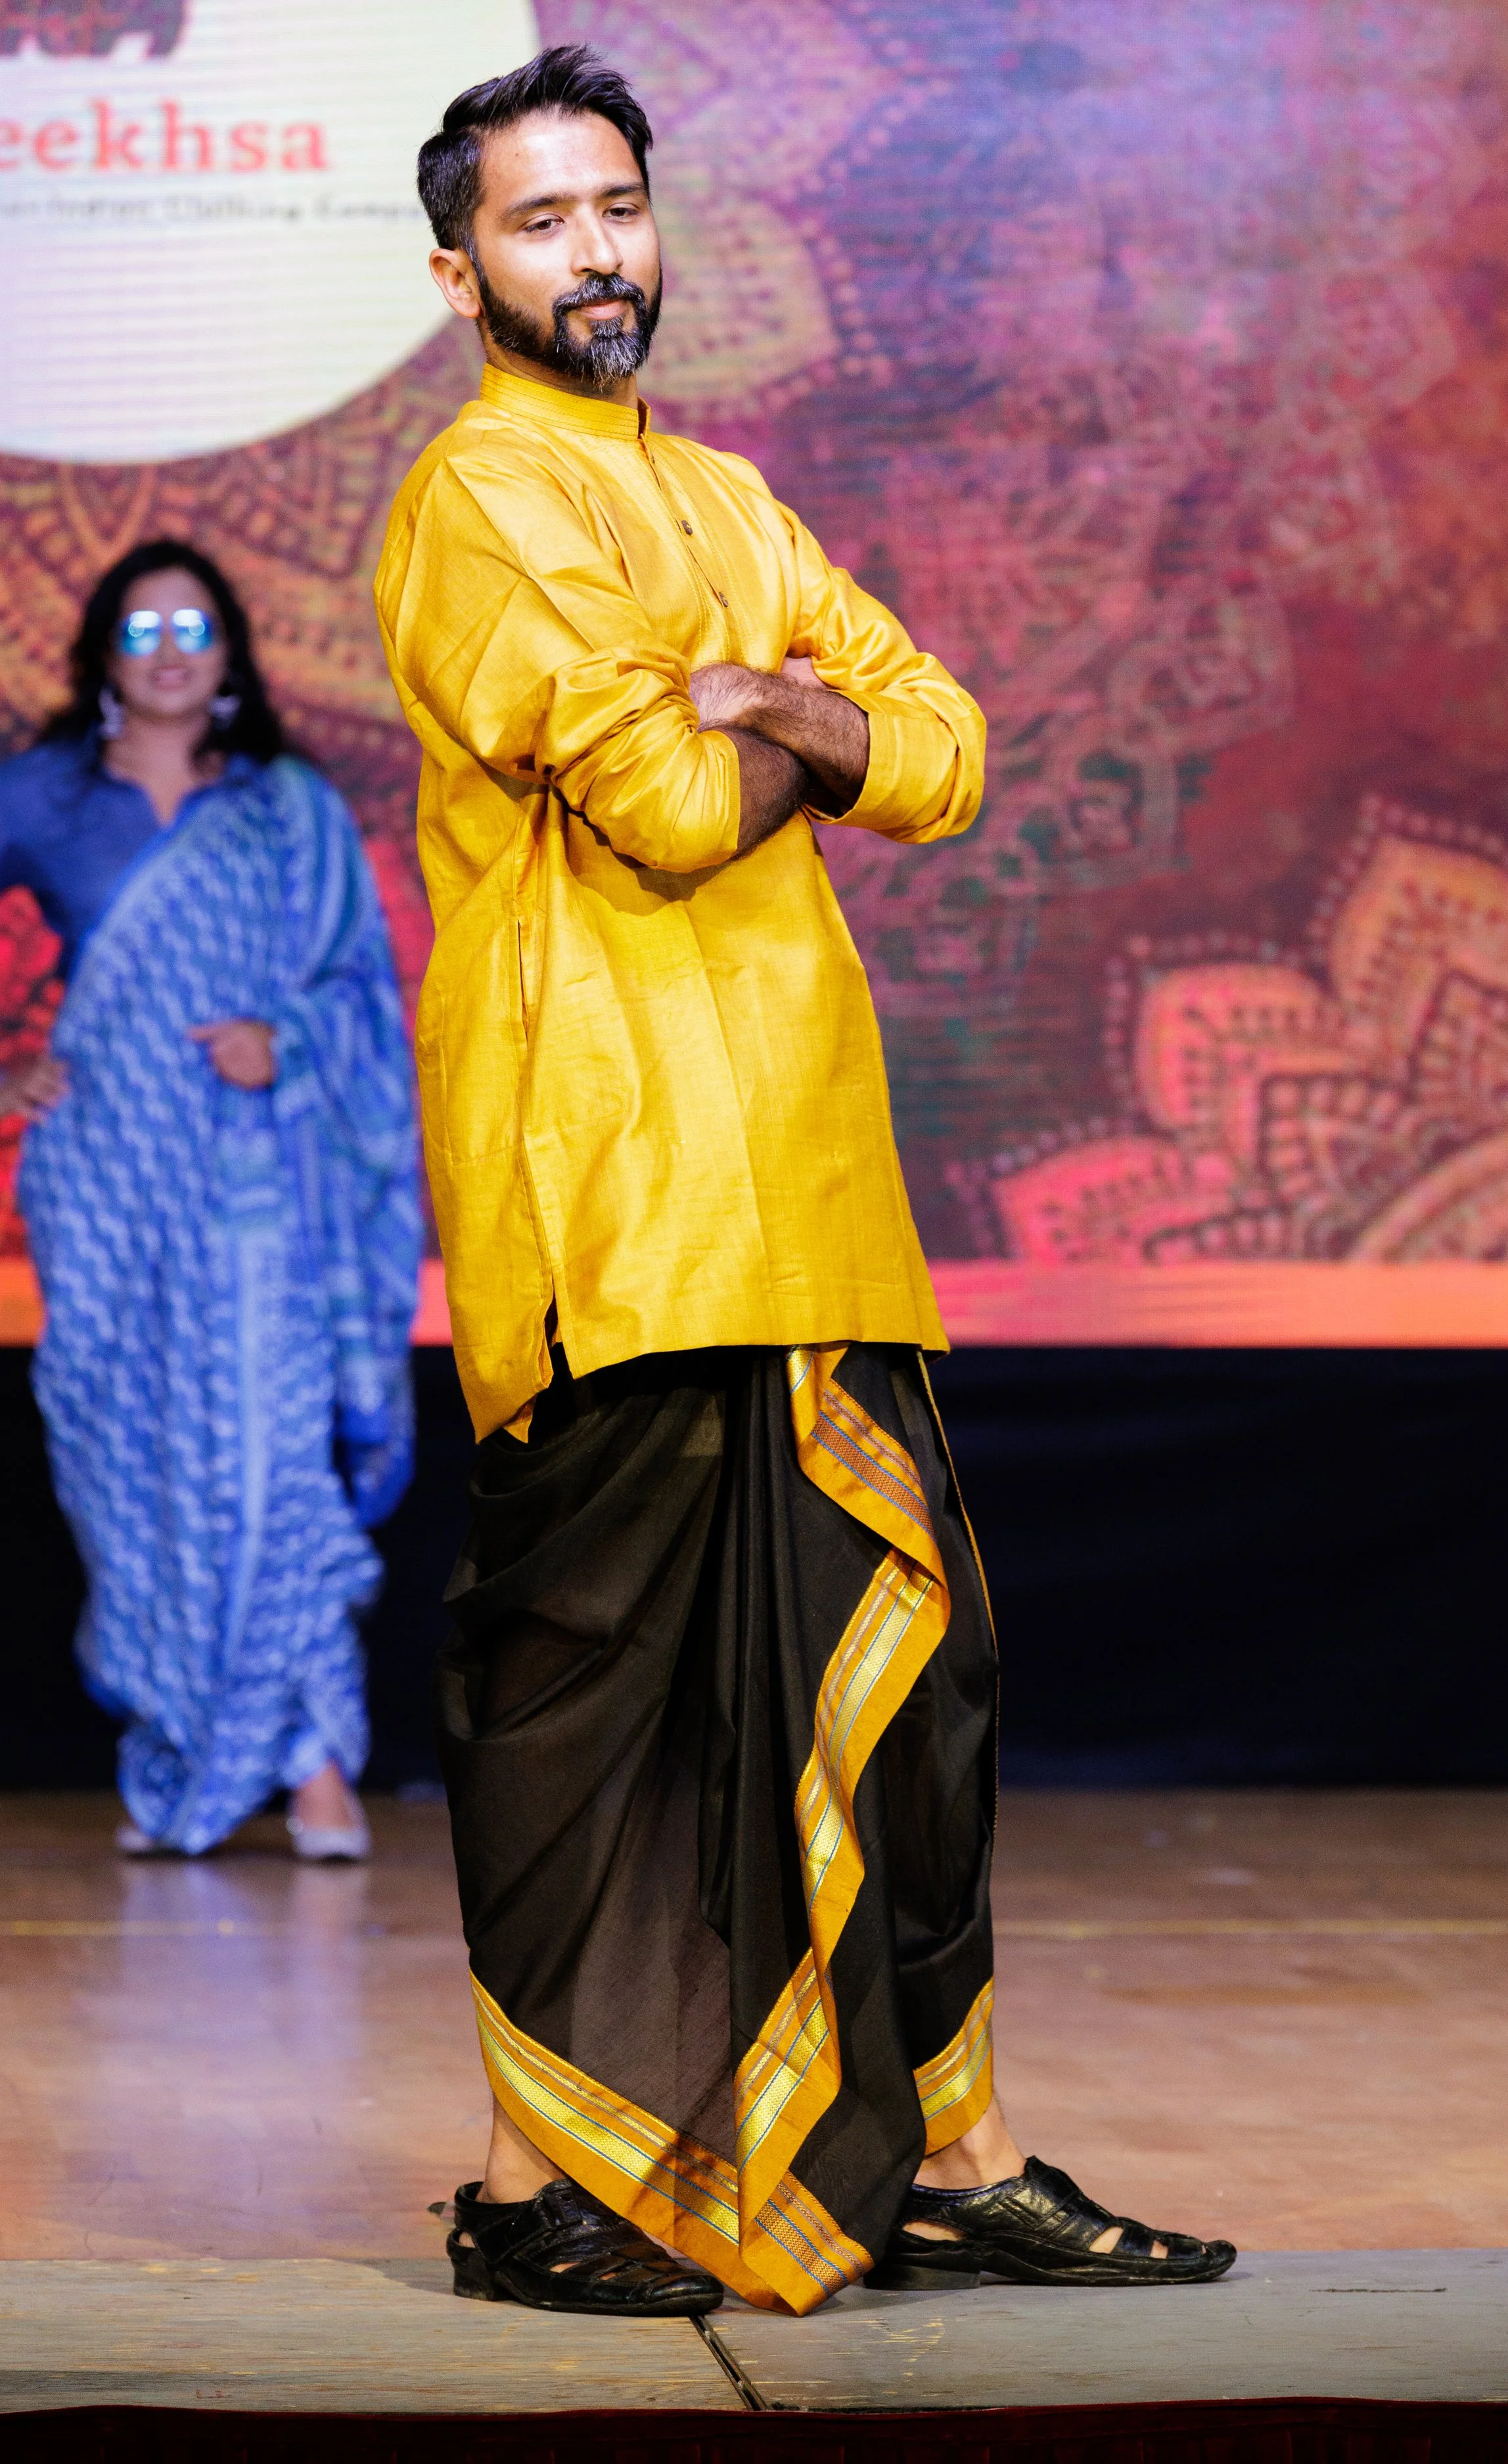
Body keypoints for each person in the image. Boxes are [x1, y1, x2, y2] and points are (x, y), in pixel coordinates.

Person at [376, 45, 1235, 2317]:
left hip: (816, 1196)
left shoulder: (736, 499)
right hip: (619, 1206)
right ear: (457, 267)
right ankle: (527, 2188)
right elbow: (662, 806)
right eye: (544, 222)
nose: (598, 254)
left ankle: (947, 2156)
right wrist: (784, 717)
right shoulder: (481, 497)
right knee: (608, 1715)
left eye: (620, 209)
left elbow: (945, 750)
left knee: (915, 1693)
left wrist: (774, 700)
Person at [0, 541, 422, 1860]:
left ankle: (309, 1766)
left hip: (258, 1181)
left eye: (194, 626)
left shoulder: (284, 811)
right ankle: (185, 1737)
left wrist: (284, 1041)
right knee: (134, 1474)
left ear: (232, 652)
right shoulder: (46, 796)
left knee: (267, 1461)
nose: (171, 648)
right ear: (104, 657)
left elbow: (359, 990)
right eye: (142, 630)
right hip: (108, 1184)